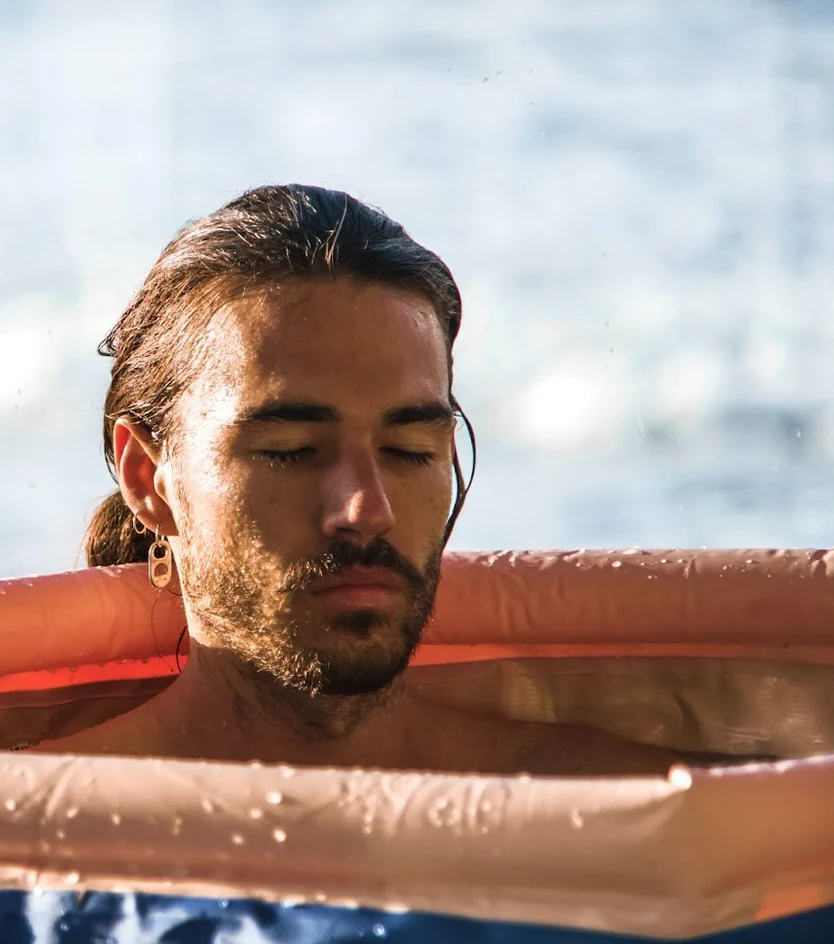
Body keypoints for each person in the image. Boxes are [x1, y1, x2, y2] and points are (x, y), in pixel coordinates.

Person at [36, 185, 675, 776]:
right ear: (149, 478)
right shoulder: (21, 833)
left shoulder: (605, 804)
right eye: (292, 450)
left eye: (409, 449)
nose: (368, 510)